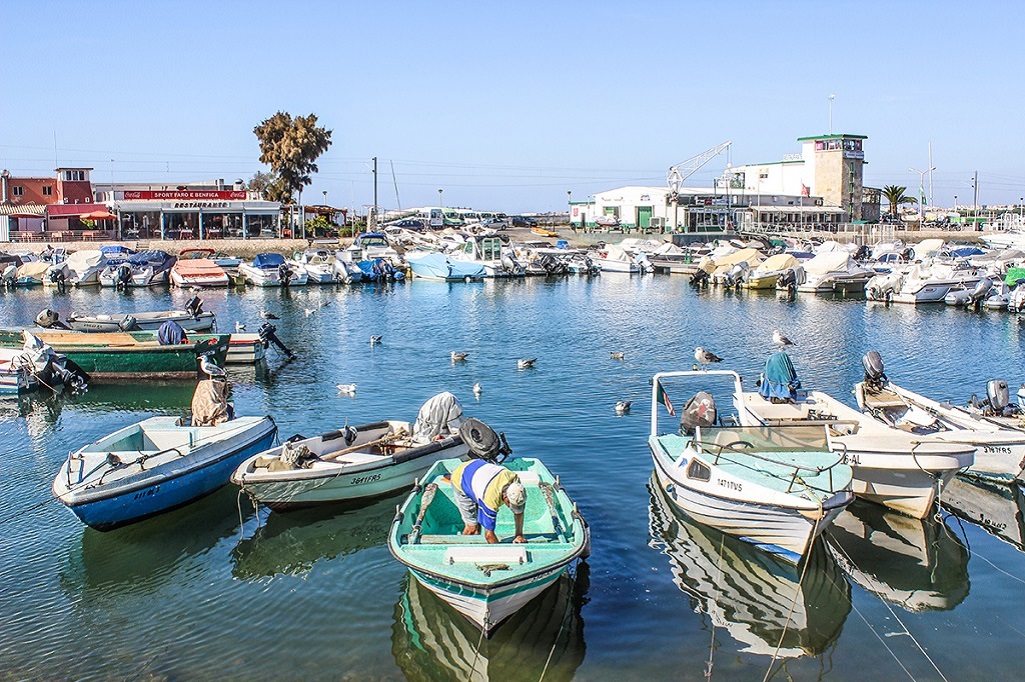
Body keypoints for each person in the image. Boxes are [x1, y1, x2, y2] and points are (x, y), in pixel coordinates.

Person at [446, 460, 527, 544]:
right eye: (511, 504)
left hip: (478, 467)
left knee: (478, 524)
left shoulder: (515, 483)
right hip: (461, 478)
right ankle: (461, 551)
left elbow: (519, 512)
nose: (513, 508)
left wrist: (519, 535)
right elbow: (489, 535)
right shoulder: (490, 499)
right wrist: (501, 553)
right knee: (473, 528)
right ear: (505, 497)